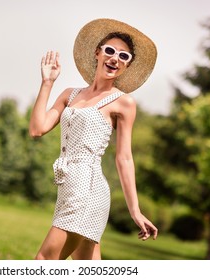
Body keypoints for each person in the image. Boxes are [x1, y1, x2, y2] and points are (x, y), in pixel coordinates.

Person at [29, 18, 158, 260]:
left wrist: (135, 210)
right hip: (68, 187)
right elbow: (37, 129)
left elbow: (124, 158)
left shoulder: (124, 102)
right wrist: (47, 83)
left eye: (124, 56)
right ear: (98, 53)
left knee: (44, 261)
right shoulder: (70, 94)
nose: (115, 58)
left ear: (127, 66)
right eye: (110, 51)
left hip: (88, 189)